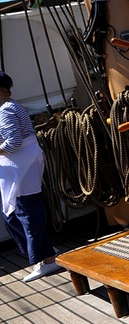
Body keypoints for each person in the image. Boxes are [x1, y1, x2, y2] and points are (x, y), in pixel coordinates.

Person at [0, 71, 62, 281]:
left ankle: (46, 260)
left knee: (26, 213)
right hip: (23, 166)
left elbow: (14, 142)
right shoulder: (13, 106)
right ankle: (43, 252)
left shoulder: (5, 111)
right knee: (15, 214)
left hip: (21, 168)